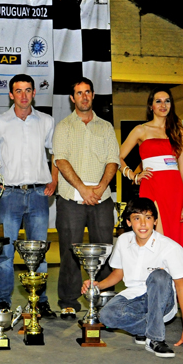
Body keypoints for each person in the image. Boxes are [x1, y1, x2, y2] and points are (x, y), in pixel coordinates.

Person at [86, 197, 183, 357]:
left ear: (155, 221)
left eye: (148, 218)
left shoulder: (170, 248)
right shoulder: (123, 241)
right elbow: (118, 273)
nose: (143, 224)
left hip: (163, 300)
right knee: (106, 315)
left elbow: (181, 287)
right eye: (137, 218)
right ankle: (148, 330)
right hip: (134, 297)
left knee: (159, 276)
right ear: (129, 222)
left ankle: (155, 339)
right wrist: (97, 285)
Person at [0, 74, 57, 317]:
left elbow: (55, 153)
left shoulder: (46, 121)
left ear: (34, 93)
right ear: (11, 94)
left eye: (28, 90)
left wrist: (54, 179)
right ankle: (3, 301)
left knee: (39, 252)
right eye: (18, 91)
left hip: (39, 194)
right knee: (5, 254)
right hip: (8, 195)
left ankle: (40, 301)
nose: (23, 95)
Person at [52, 77, 119, 320]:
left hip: (102, 198)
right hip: (71, 198)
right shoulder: (63, 127)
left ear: (93, 95)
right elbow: (60, 160)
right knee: (70, 251)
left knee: (105, 251)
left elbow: (113, 160)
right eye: (79, 93)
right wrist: (82, 189)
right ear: (72, 98)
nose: (84, 97)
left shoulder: (106, 127)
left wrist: (100, 189)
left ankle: (104, 299)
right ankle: (69, 302)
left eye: (87, 92)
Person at [118, 87, 183, 252]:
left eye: (167, 101)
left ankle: (174, 270)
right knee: (157, 237)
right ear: (151, 106)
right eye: (158, 101)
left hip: (175, 190)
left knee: (174, 240)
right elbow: (117, 157)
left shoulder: (178, 131)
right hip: (151, 186)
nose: (163, 105)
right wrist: (133, 176)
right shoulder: (140, 130)